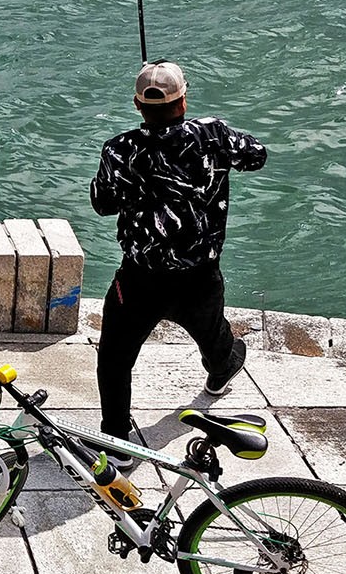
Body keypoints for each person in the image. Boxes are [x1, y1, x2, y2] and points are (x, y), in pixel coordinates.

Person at [89, 59, 267, 445]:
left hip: (139, 280)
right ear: (183, 101)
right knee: (214, 334)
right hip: (201, 275)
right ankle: (221, 372)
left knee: (115, 359)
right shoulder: (214, 135)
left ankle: (117, 441)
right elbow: (256, 155)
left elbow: (102, 204)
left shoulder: (120, 150)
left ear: (138, 106)